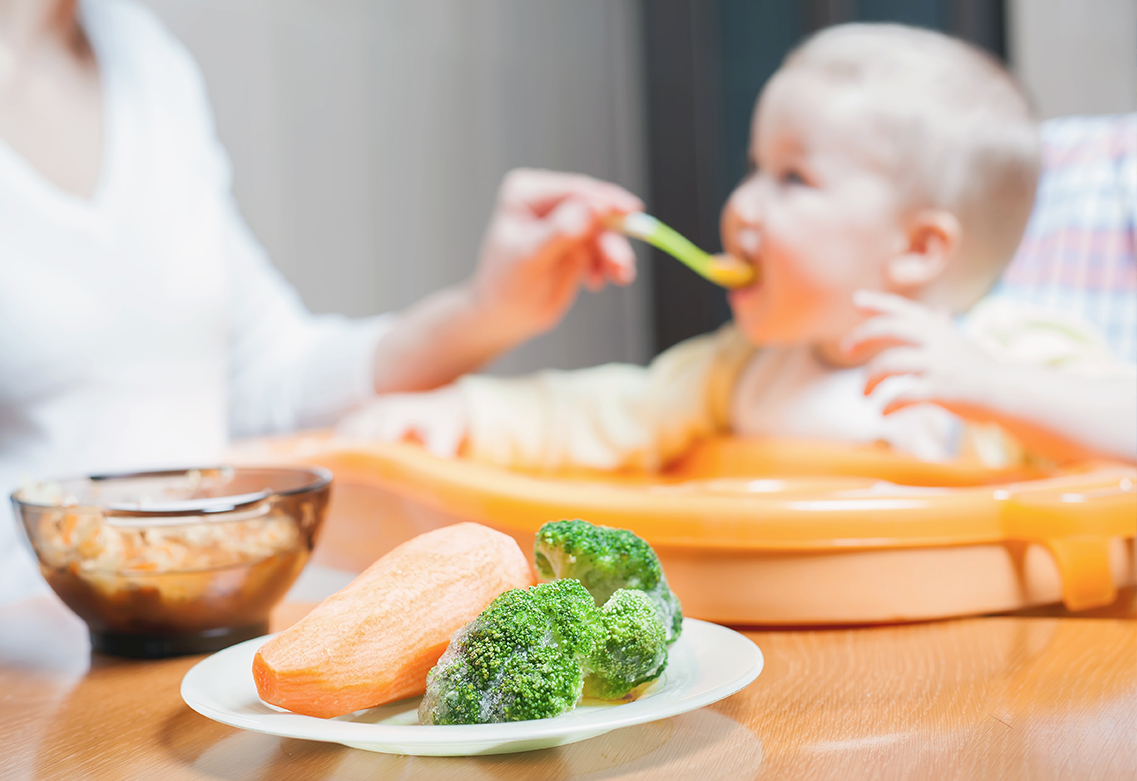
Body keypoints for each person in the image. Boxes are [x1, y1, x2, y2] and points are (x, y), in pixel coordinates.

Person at [0, 0, 642, 602]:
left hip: (200, 628)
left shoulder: (142, 56)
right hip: (28, 676)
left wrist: (489, 310)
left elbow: (268, 376)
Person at [340, 23, 1137, 471]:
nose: (740, 204)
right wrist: (464, 412)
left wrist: (995, 387)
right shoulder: (741, 370)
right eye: (753, 167)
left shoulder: (1002, 351)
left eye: (792, 178)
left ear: (919, 248)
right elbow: (607, 411)